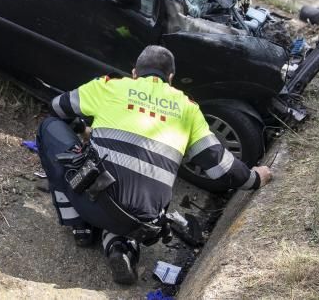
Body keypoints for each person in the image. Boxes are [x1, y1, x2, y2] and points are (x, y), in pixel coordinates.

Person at [37, 46, 272, 285]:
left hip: (92, 202)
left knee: (49, 127)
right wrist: (255, 178)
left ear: (134, 72)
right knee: (131, 201)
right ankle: (120, 247)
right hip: (144, 222)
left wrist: (82, 129)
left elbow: (57, 107)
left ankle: (80, 227)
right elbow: (219, 166)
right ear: (170, 79)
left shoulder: (110, 86)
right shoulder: (188, 108)